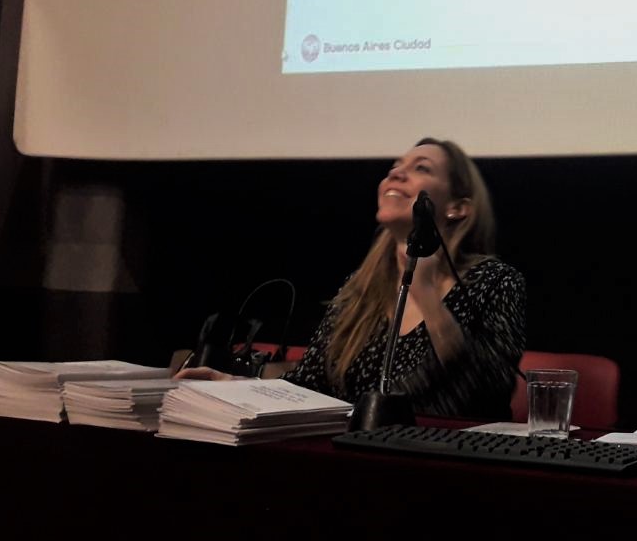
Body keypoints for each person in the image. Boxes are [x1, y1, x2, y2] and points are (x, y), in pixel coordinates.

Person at [177, 137, 526, 419]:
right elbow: (309, 385)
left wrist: (425, 292)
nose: (396, 174)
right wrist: (234, 385)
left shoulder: (494, 282)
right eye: (395, 167)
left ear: (457, 207)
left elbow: (485, 394)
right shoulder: (360, 289)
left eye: (421, 168)